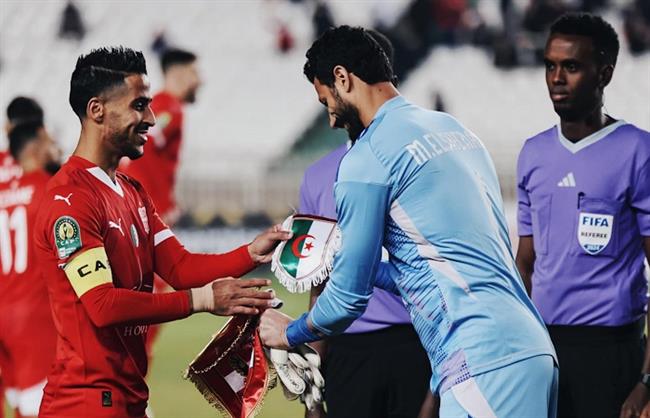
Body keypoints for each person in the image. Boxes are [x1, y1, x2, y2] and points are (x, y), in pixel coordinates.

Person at [260, 25, 557, 417]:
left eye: (325, 100)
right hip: (531, 350)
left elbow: (347, 301)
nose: (330, 119)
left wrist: (289, 332)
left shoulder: (365, 159)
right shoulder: (456, 132)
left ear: (342, 78)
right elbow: (443, 266)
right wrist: (343, 259)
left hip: (481, 363)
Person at [33, 46, 289, 418]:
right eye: (139, 105)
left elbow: (180, 267)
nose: (152, 118)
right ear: (96, 110)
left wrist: (251, 252)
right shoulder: (69, 200)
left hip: (128, 399)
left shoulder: (132, 192)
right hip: (84, 403)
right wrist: (200, 301)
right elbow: (103, 306)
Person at [515, 13, 650, 418]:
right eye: (550, 66)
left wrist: (645, 384)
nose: (557, 78)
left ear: (604, 74)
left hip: (612, 353)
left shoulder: (637, 151)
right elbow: (524, 265)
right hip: (543, 352)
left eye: (571, 67)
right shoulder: (533, 154)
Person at [299, 29, 434, 418]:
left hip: (417, 341)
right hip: (348, 349)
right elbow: (317, 281)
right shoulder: (317, 177)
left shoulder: (421, 160)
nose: (327, 113)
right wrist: (312, 391)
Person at [0, 121, 60, 418]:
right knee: (41, 403)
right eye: (50, 141)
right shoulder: (48, 188)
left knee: (19, 400)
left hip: (4, 311)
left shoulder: (3, 193)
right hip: (35, 314)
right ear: (36, 145)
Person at [121, 47, 200, 226]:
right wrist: (160, 205)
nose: (200, 80)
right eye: (194, 73)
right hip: (144, 210)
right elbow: (143, 148)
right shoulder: (169, 109)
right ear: (178, 74)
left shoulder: (158, 105)